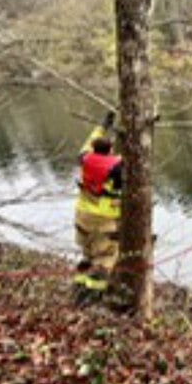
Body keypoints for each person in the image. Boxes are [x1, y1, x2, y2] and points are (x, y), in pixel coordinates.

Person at [73, 111, 122, 305]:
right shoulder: (117, 167)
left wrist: (103, 126)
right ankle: (92, 297)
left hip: (83, 215)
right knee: (105, 258)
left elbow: (90, 142)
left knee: (88, 253)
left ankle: (78, 288)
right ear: (111, 150)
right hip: (105, 220)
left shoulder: (85, 158)